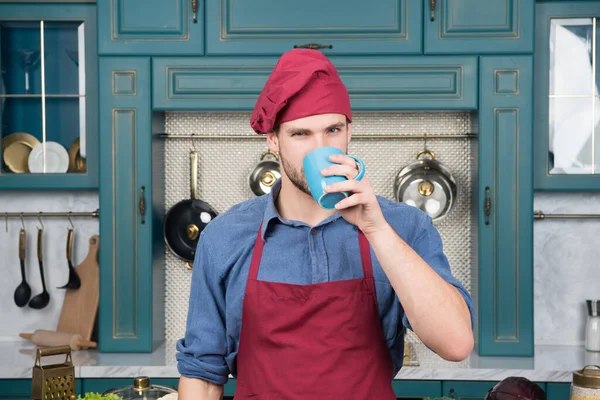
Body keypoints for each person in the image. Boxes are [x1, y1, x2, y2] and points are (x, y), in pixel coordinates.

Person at [176, 49, 475, 400]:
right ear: (273, 139)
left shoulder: (403, 226)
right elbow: (203, 375)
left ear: (350, 130)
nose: (322, 148)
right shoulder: (225, 236)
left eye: (332, 129)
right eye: (301, 134)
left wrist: (375, 229)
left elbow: (456, 344)